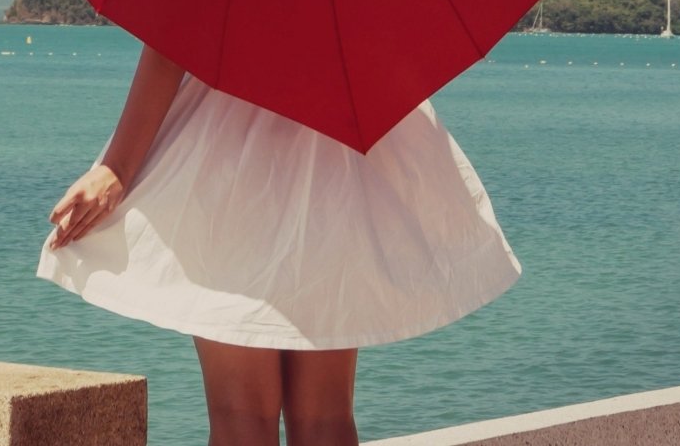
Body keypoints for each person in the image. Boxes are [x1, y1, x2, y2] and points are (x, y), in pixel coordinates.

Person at [39, 44, 521, 446]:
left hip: (232, 158)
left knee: (240, 415)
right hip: (337, 147)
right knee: (326, 418)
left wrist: (119, 167)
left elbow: (169, 46)